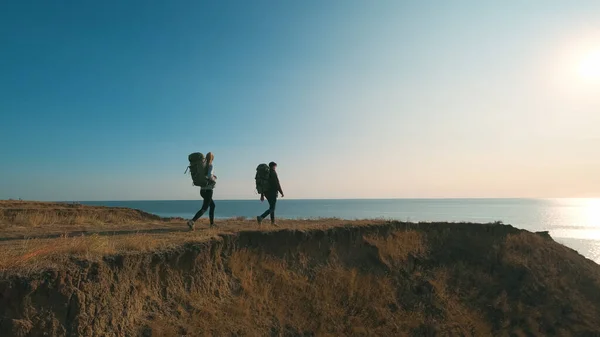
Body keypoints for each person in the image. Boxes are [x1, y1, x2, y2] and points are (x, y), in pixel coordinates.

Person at [187, 152, 217, 230]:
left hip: (202, 191)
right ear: (212, 158)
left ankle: (212, 224)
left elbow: (205, 175)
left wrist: (212, 176)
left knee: (212, 206)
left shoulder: (203, 166)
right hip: (208, 190)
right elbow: (209, 175)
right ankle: (192, 221)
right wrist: (214, 178)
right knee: (204, 208)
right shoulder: (210, 165)